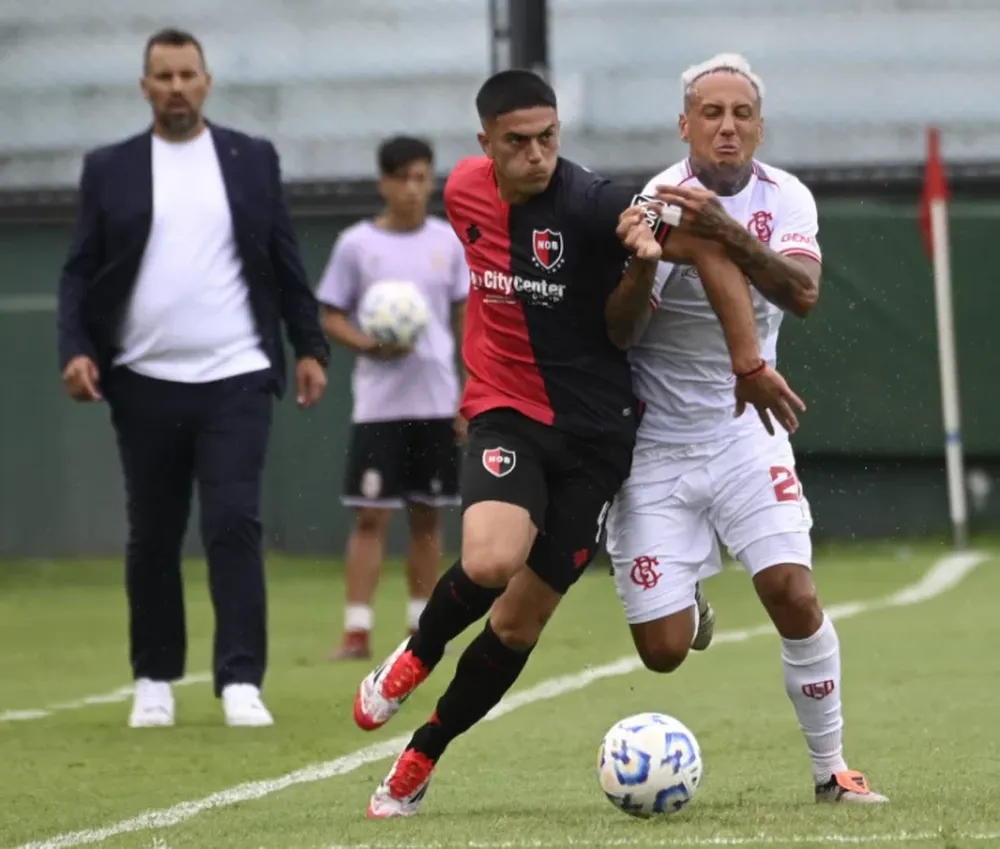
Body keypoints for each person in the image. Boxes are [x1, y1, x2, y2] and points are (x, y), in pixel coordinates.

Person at [351, 69, 804, 818]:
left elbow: (716, 255)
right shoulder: (463, 190)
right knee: (492, 557)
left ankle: (423, 753)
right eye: (517, 143)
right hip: (507, 414)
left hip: (596, 438)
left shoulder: (598, 203)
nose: (536, 156)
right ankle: (413, 656)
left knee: (517, 622)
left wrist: (745, 357)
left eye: (548, 139)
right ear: (485, 146)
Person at [603, 53, 888, 803]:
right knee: (662, 652)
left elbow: (802, 295)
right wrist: (638, 265)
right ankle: (689, 603)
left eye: (741, 114)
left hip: (744, 429)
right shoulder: (656, 201)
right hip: (655, 446)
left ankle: (832, 770)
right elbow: (623, 333)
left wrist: (730, 234)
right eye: (711, 113)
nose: (726, 127)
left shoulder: (787, 197)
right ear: (685, 125)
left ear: (759, 127)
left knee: (792, 591)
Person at [56, 28, 329, 728]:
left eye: (187, 74)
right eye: (163, 76)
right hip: (142, 379)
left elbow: (284, 258)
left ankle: (240, 678)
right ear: (145, 87)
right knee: (153, 531)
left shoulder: (249, 159)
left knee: (233, 522)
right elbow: (80, 270)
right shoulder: (110, 168)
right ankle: (153, 676)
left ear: (207, 82)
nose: (176, 87)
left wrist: (310, 347)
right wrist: (76, 349)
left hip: (235, 373)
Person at [316, 135, 468, 661]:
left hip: (435, 401)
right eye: (402, 178)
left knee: (428, 515)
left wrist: (469, 392)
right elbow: (331, 311)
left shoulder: (447, 243)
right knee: (369, 516)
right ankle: (356, 632)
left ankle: (418, 631)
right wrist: (364, 343)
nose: (412, 189)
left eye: (422, 177)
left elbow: (466, 320)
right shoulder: (357, 245)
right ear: (384, 182)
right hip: (379, 405)